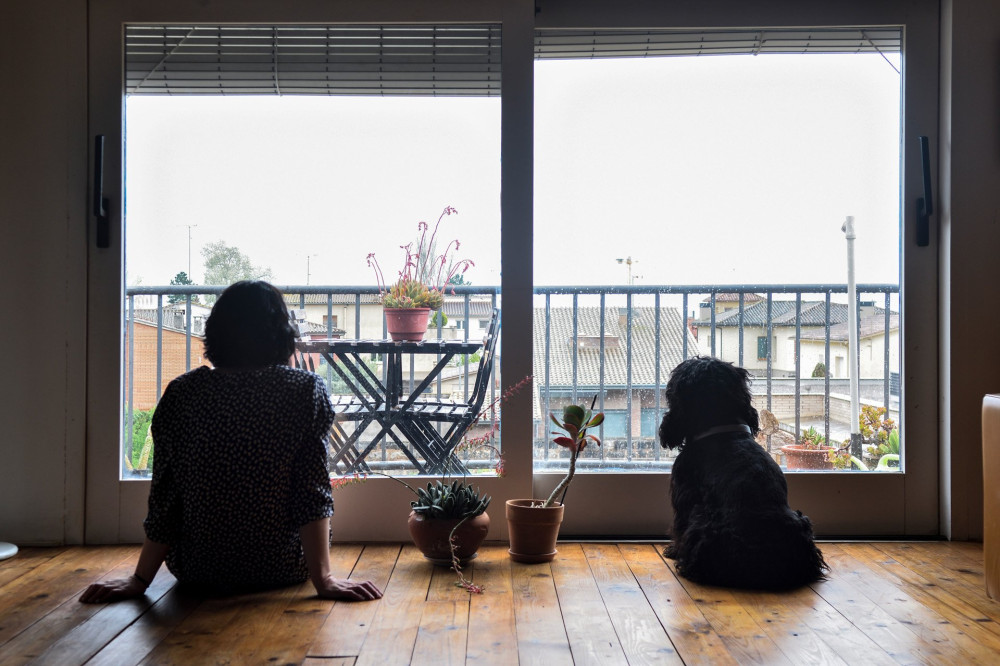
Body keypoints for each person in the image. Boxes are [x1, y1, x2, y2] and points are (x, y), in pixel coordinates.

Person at [80, 281, 382, 603]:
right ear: (281, 334)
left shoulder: (182, 394)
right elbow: (311, 492)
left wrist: (140, 579)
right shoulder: (303, 391)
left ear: (215, 334)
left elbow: (167, 498)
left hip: (197, 569)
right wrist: (324, 580)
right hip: (281, 566)